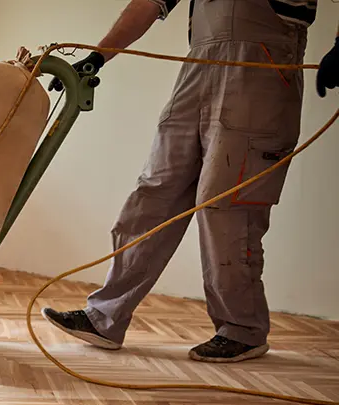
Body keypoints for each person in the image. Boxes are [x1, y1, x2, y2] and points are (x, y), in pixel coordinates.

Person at [41, 0, 339, 363]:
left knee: (227, 205)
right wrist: (98, 56)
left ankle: (242, 329)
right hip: (197, 71)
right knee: (154, 194)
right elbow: (148, 3)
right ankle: (104, 317)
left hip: (260, 73)